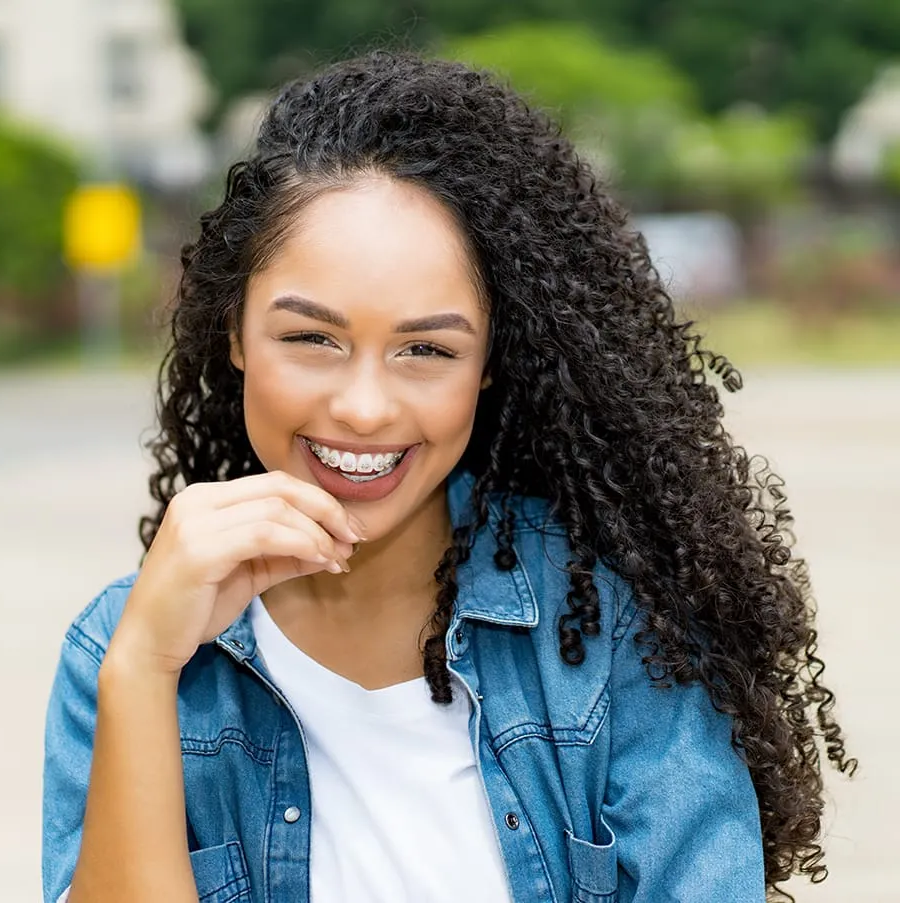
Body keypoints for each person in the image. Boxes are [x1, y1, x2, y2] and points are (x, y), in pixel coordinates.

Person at [41, 52, 855, 903]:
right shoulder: (119, 647)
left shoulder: (614, 624)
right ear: (236, 333)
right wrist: (143, 667)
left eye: (426, 349)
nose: (362, 408)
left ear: (490, 364)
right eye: (311, 338)